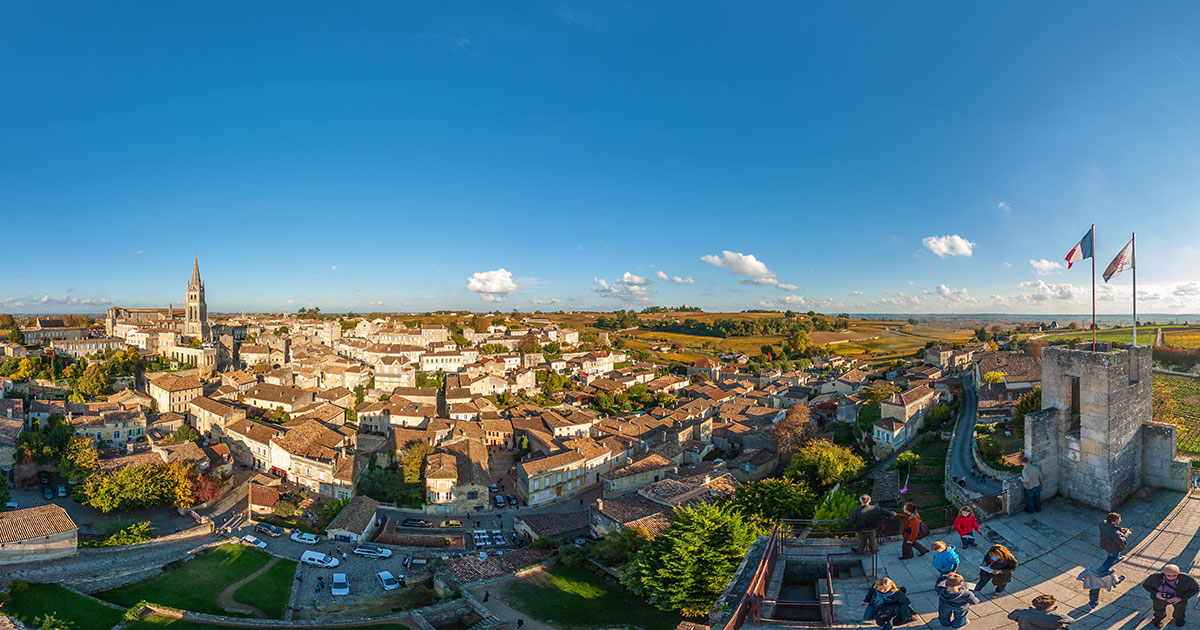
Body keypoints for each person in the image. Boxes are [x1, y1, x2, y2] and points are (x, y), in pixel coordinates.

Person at [1006, 594, 1072, 630]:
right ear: (1049, 606)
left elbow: (1010, 616)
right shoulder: (1058, 617)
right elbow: (1071, 621)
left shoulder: (1021, 613)